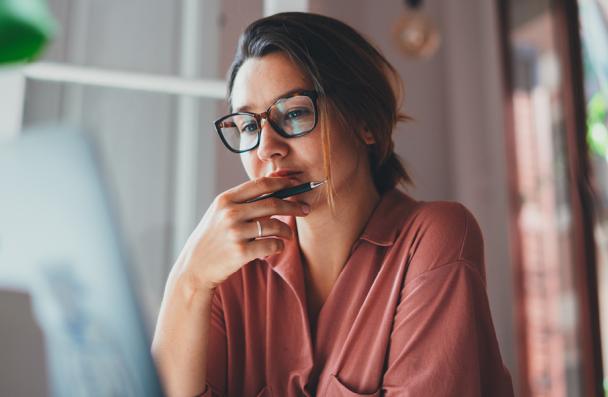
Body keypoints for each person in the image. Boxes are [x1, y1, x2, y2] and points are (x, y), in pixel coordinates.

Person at [151, 12, 514, 397]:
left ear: (365, 123)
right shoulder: (229, 273)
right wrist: (188, 279)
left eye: (293, 113)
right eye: (249, 126)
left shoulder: (434, 238)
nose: (267, 148)